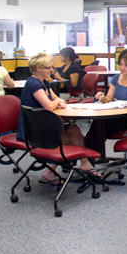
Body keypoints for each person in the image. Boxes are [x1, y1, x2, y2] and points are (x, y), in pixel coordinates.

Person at [16, 52, 97, 185]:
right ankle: (51, 171)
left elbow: (57, 99)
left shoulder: (44, 84)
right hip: (33, 130)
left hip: (43, 125)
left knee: (74, 129)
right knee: (65, 136)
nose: (51, 70)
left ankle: (84, 163)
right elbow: (49, 106)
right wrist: (55, 103)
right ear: (38, 68)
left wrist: (56, 102)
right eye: (48, 68)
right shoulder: (34, 84)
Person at [86, 49, 127, 153]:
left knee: (100, 127)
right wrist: (102, 97)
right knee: (97, 124)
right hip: (114, 114)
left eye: (126, 65)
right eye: (120, 64)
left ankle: (93, 155)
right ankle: (92, 155)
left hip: (126, 119)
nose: (122, 68)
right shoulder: (116, 78)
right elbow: (109, 98)